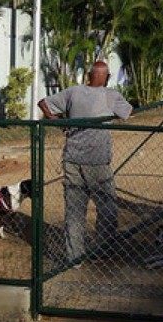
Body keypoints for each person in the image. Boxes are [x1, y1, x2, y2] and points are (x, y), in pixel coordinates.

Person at [38, 60, 133, 264]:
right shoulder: (110, 95)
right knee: (107, 208)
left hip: (72, 158)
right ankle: (103, 251)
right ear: (107, 77)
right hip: (97, 161)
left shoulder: (73, 92)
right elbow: (127, 112)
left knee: (74, 211)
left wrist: (57, 121)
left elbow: (43, 103)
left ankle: (75, 257)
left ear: (89, 76)